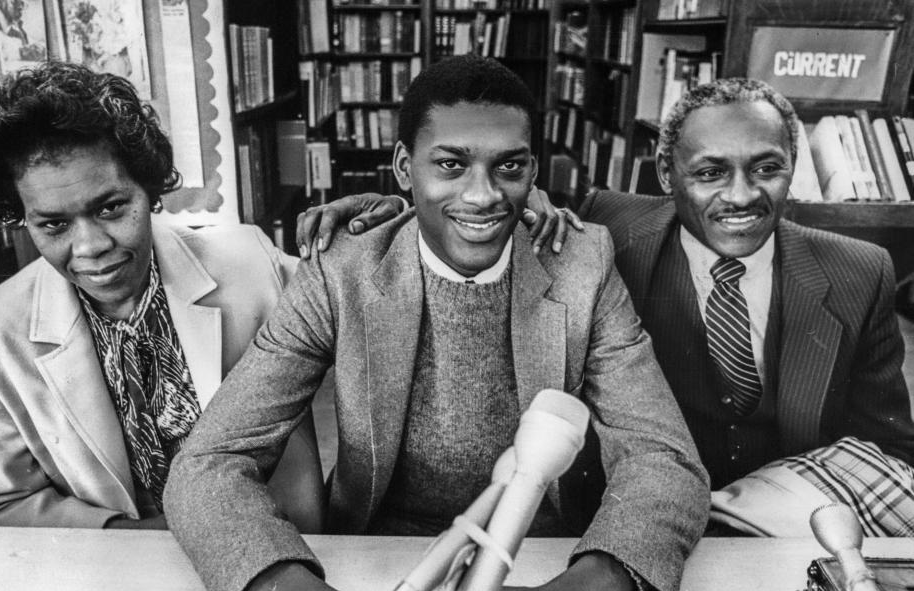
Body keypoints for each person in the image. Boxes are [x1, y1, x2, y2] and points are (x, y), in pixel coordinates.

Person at [165, 55, 708, 591]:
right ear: (403, 167)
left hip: (540, 560)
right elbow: (208, 463)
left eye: (510, 166)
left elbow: (664, 457)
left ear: (533, 170)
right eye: (450, 164)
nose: (482, 195)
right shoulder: (342, 270)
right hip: (373, 561)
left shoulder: (582, 264)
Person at [318, 78, 914, 495]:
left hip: (783, 525)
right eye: (709, 172)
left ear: (793, 166)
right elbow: (497, 208)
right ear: (665, 176)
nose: (741, 196)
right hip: (626, 504)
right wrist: (392, 208)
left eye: (767, 167)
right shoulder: (611, 228)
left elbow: (888, 452)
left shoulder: (859, 270)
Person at [0, 61, 321, 529]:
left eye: (110, 208)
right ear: (20, 217)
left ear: (148, 190)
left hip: (286, 556)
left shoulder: (249, 264)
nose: (90, 246)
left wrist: (380, 234)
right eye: (54, 224)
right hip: (119, 584)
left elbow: (366, 301)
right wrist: (134, 538)